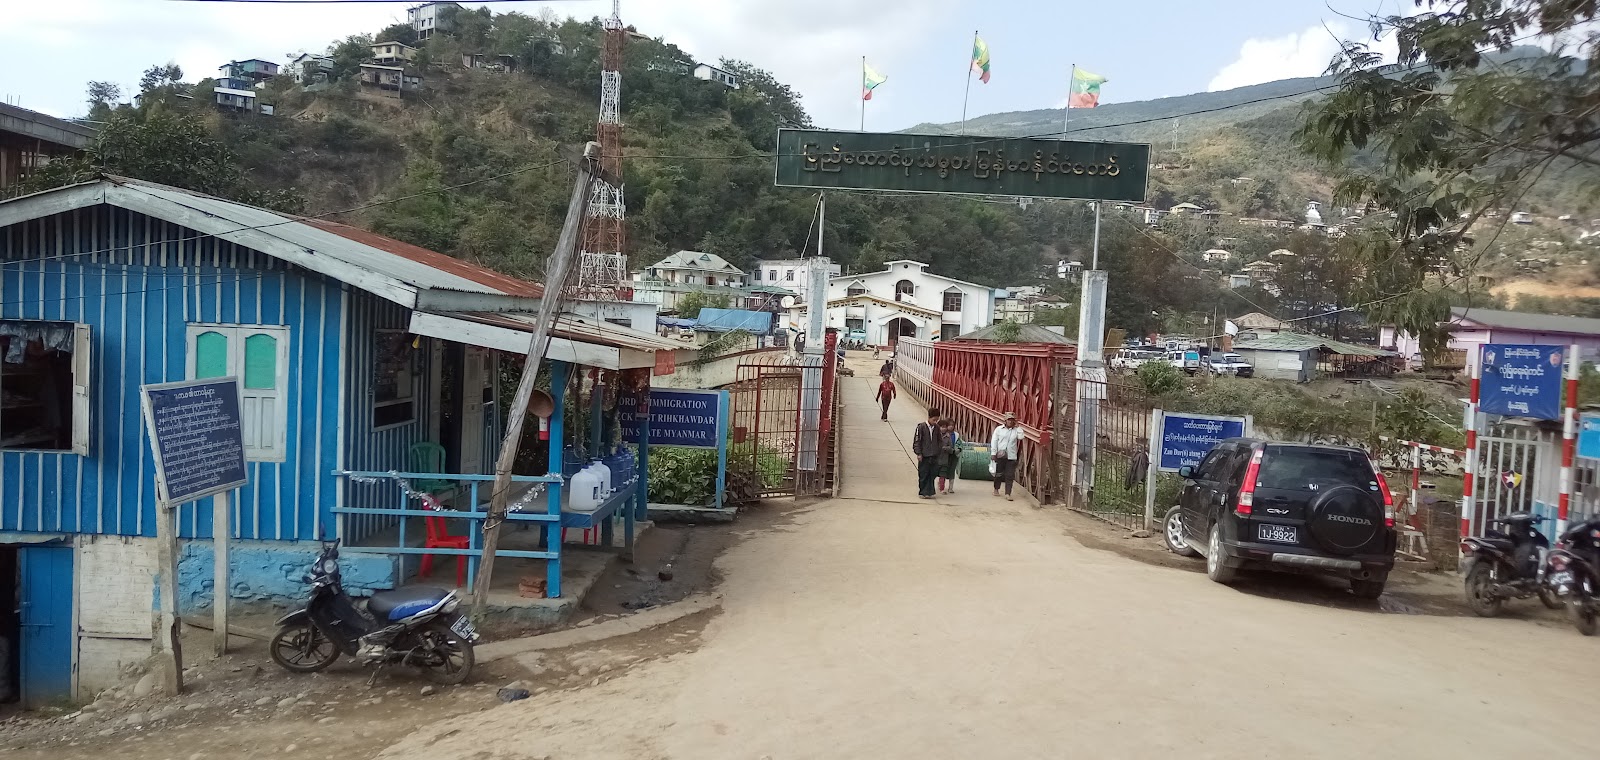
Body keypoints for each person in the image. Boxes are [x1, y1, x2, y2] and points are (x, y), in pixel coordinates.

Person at [990, 412, 1024, 501]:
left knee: (1010, 475)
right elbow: (994, 441)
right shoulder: (999, 429)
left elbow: (1021, 437)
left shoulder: (1016, 430)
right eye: (1009, 420)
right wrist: (993, 453)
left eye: (1012, 420)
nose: (1010, 421)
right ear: (1005, 420)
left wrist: (1018, 427)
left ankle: (1008, 493)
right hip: (1000, 455)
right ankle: (996, 489)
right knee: (999, 474)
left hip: (1011, 456)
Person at [912, 408, 943, 499]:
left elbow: (939, 441)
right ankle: (922, 492)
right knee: (923, 474)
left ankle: (929, 492)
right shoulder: (921, 427)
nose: (935, 422)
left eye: (937, 420)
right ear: (929, 417)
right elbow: (917, 441)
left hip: (934, 454)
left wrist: (938, 450)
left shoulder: (937, 428)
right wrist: (918, 453)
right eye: (934, 420)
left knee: (932, 473)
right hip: (924, 455)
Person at [936, 419, 964, 494]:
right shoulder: (943, 435)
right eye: (949, 425)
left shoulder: (956, 435)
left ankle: (950, 488)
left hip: (952, 455)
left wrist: (958, 449)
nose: (951, 427)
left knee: (951, 472)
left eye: (952, 425)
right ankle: (941, 485)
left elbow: (959, 443)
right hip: (944, 456)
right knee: (942, 472)